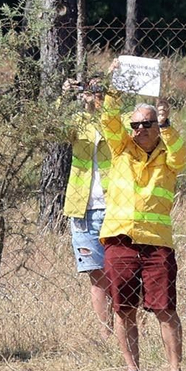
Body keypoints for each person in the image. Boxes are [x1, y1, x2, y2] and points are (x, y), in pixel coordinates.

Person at [99, 66, 186, 371]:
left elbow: (183, 159)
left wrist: (167, 126)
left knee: (165, 309)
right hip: (120, 239)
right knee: (124, 309)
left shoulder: (169, 154)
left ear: (157, 125)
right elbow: (109, 118)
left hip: (156, 244)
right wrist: (116, 85)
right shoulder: (121, 148)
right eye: (134, 125)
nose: (138, 129)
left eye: (145, 124)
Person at [61, 77, 113, 339]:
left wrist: (104, 103)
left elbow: (118, 133)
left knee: (122, 273)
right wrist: (66, 98)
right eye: (89, 90)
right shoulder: (78, 121)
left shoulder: (119, 119)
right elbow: (55, 130)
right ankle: (106, 335)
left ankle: (125, 331)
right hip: (83, 208)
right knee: (97, 275)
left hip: (115, 206)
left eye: (97, 90)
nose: (92, 95)